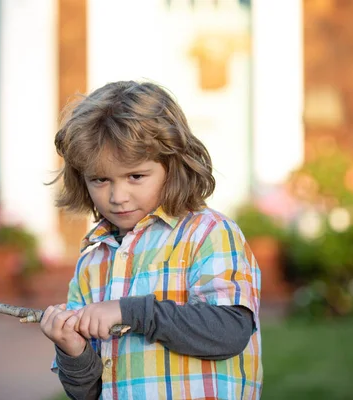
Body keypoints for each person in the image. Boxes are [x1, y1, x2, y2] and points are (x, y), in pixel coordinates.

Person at [40, 80, 262, 400]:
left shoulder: (208, 234)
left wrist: (130, 312)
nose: (118, 196)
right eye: (100, 179)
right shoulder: (93, 261)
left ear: (172, 166)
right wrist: (72, 351)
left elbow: (229, 332)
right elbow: (88, 392)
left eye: (136, 176)